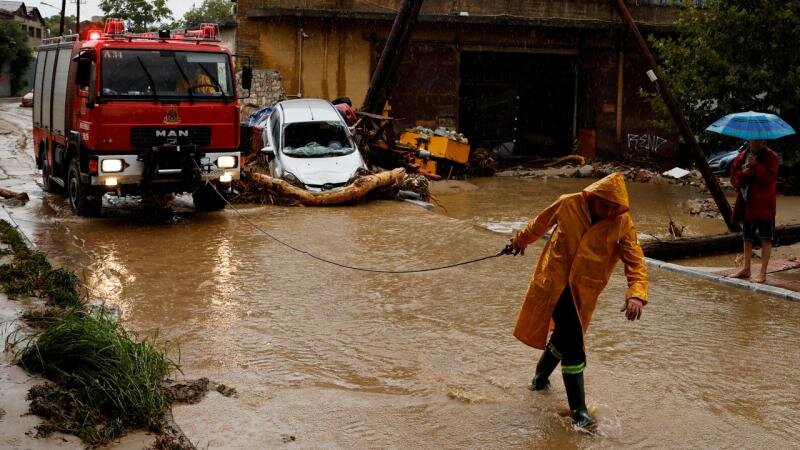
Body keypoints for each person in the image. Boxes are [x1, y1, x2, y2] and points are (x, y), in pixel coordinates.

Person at [508, 172, 649, 431]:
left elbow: (636, 261)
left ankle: (539, 378)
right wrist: (519, 241)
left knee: (563, 337)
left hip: (584, 291)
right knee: (573, 341)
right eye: (604, 204)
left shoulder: (622, 223)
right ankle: (579, 412)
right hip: (554, 282)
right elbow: (539, 224)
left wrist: (637, 293)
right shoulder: (568, 203)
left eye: (613, 207)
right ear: (591, 196)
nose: (608, 210)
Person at [729, 139, 780, 283]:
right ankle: (746, 268)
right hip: (747, 202)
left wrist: (757, 166)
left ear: (764, 141)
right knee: (747, 237)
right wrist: (744, 173)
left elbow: (769, 180)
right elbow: (734, 179)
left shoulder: (772, 157)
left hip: (764, 204)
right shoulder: (741, 156)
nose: (756, 143)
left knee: (766, 238)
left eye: (760, 140)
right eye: (754, 140)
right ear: (749, 141)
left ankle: (763, 273)